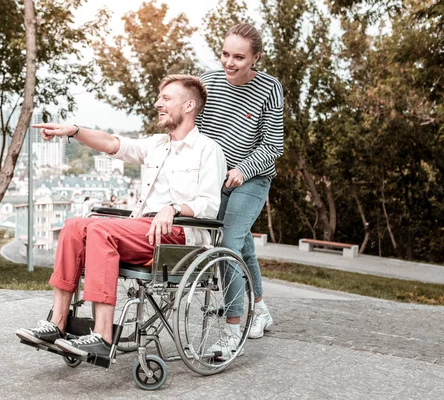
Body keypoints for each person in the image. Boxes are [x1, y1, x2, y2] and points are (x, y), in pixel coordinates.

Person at [15, 74, 227, 359]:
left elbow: (209, 204)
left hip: (179, 235)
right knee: (74, 226)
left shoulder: (208, 150)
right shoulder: (156, 145)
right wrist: (73, 131)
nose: (157, 104)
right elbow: (113, 144)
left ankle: (102, 336)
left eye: (166, 99)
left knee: (103, 231)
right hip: (143, 228)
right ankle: (57, 323)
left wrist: (174, 208)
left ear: (189, 105)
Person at [195, 23, 284, 341]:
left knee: (229, 244)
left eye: (239, 57)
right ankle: (259, 309)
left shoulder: (270, 88)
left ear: (255, 58)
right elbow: (198, 130)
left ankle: (234, 329)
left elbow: (272, 146)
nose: (229, 63)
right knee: (240, 244)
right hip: (215, 178)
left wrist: (242, 171)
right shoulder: (208, 81)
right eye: (225, 54)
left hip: (252, 178)